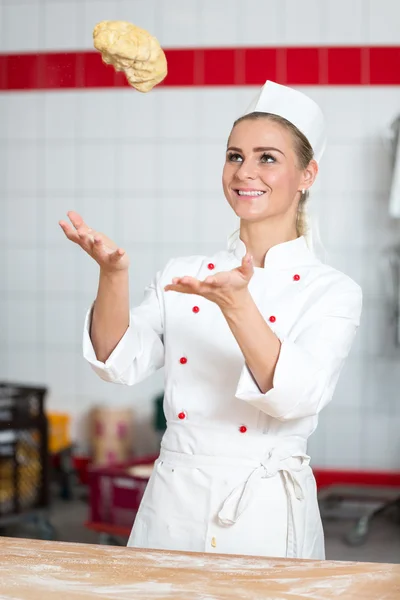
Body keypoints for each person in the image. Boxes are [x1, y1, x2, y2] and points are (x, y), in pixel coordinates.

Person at [59, 80, 362, 559]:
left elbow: (297, 396)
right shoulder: (185, 273)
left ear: (308, 174)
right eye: (234, 156)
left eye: (268, 157)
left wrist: (239, 307)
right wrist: (113, 275)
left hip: (263, 507)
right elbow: (118, 360)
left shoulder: (332, 290)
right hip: (172, 500)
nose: (245, 172)